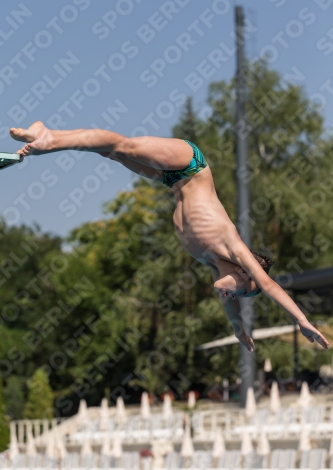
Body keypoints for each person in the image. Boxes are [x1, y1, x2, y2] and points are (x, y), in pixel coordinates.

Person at [10, 122, 329, 352]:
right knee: (124, 145)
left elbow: (227, 300)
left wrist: (239, 330)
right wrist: (301, 320)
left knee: (111, 153)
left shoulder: (211, 262)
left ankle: (44, 131)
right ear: (247, 272)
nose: (235, 295)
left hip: (170, 180)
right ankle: (50, 140)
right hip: (191, 164)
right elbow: (271, 286)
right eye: (243, 290)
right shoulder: (233, 246)